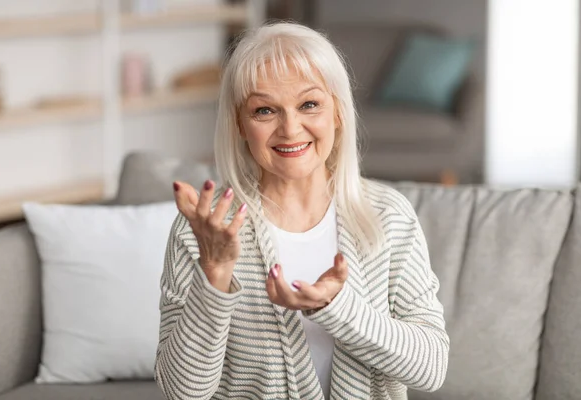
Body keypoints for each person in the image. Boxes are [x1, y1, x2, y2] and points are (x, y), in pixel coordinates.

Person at [154, 21, 449, 400]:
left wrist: (335, 307)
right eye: (264, 111)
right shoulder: (205, 228)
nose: (290, 129)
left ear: (337, 112)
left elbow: (432, 368)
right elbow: (183, 393)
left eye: (309, 104)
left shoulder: (387, 215)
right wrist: (214, 273)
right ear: (240, 124)